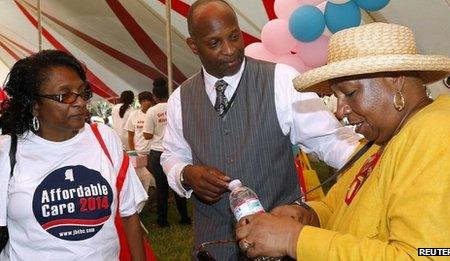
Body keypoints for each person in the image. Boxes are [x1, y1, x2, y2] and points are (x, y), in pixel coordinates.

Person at [235, 23, 450, 260]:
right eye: (337, 97)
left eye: (351, 93)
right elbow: (339, 207)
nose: (341, 110)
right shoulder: (382, 139)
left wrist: (294, 239)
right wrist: (305, 216)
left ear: (396, 78)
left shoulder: (439, 135)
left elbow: (433, 254)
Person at [160, 0, 359, 259]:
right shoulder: (180, 99)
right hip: (212, 247)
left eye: (234, 37)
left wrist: (375, 159)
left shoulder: (282, 79)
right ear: (193, 46)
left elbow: (330, 140)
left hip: (277, 245)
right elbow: (171, 156)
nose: (230, 50)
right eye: (215, 43)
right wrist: (186, 174)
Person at [0, 50, 148, 260]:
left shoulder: (104, 139)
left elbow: (129, 213)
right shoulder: (7, 152)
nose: (79, 102)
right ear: (34, 105)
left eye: (82, 92)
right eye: (65, 95)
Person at [143, 78, 191, 227]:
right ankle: (184, 218)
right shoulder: (176, 105)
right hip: (176, 150)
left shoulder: (152, 111)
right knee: (177, 183)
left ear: (154, 97)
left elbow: (147, 134)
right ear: (167, 94)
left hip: (158, 152)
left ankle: (162, 221)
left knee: (161, 187)